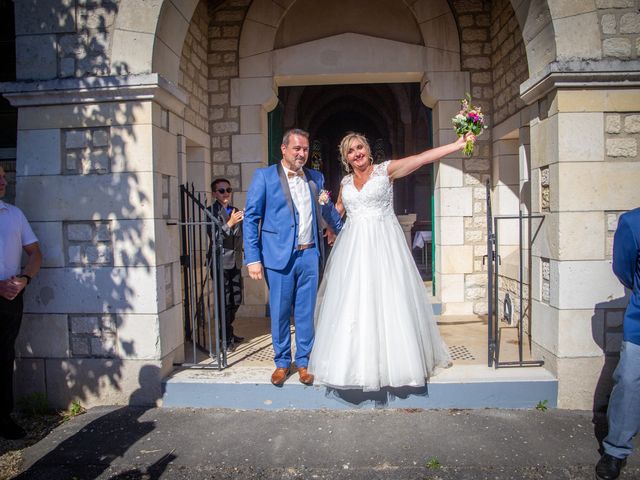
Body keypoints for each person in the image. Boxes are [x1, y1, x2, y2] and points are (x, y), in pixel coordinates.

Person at [308, 132, 473, 391]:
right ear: (345, 157)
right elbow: (339, 209)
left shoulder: (386, 171)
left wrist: (456, 145)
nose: (357, 153)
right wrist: (329, 223)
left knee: (389, 301)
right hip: (353, 251)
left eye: (360, 147)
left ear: (368, 148)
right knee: (354, 302)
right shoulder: (346, 182)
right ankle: (352, 366)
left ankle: (397, 365)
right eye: (351, 151)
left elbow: (420, 159)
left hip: (384, 247)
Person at [244, 128, 343, 386]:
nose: (302, 153)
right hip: (278, 257)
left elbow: (328, 211)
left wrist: (346, 231)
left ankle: (304, 363)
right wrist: (253, 258)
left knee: (305, 312)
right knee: (279, 311)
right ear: (284, 149)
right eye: (297, 148)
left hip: (310, 253)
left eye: (305, 149)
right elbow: (251, 218)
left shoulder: (316, 177)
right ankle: (281, 362)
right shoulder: (264, 177)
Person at [596, 207, 640, 480]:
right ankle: (616, 450)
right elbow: (623, 269)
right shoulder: (633, 222)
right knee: (629, 382)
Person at [0, 166, 42, 439]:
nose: (4, 181)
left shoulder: (14, 214)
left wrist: (25, 278)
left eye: (4, 176)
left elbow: (36, 253)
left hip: (10, 299)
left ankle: (3, 418)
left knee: (5, 356)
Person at [208, 178, 244, 351]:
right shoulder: (210, 212)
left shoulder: (235, 210)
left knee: (236, 299)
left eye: (228, 190)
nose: (226, 193)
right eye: (221, 190)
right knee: (224, 301)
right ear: (214, 193)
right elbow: (215, 239)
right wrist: (229, 223)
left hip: (236, 261)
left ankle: (228, 331)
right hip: (220, 262)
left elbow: (240, 236)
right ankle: (225, 338)